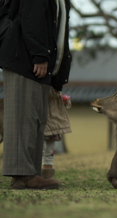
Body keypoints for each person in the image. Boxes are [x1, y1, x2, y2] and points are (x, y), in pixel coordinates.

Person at [0, 0, 72, 189]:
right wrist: (39, 55)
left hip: (37, 62)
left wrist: (58, 75)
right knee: (23, 117)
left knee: (36, 119)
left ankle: (29, 174)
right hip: (25, 59)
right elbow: (32, 18)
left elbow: (59, 30)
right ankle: (22, 174)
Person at [42, 88, 71, 179]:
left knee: (50, 151)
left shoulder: (57, 94)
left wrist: (65, 102)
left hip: (53, 127)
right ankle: (36, 174)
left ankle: (48, 175)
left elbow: (65, 107)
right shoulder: (40, 92)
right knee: (40, 149)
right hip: (41, 127)